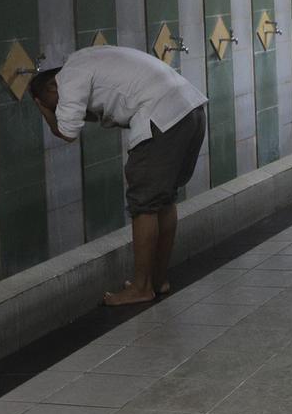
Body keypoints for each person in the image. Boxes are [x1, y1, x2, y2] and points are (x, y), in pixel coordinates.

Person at [29, 45, 208, 304]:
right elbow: (96, 108)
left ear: (51, 89)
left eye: (52, 103)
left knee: (144, 204)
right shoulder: (87, 59)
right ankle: (157, 280)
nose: (57, 108)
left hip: (161, 118)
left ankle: (141, 287)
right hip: (189, 109)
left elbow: (67, 131)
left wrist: (43, 110)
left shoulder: (68, 77)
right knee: (164, 200)